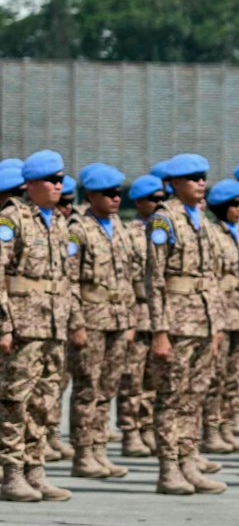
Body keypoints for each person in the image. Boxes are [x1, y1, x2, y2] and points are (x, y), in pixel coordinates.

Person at [0, 150, 81, 502]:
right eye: (52, 180)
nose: (58, 186)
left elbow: (68, 278)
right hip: (23, 326)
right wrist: (4, 326)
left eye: (61, 180)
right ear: (30, 184)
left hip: (53, 325)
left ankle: (36, 471)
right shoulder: (12, 219)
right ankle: (11, 474)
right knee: (14, 401)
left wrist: (73, 320)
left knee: (44, 402)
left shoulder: (59, 222)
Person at [144, 154, 226, 496]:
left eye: (202, 176)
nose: (200, 182)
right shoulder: (165, 221)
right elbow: (155, 278)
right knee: (171, 397)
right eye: (192, 177)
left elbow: (212, 278)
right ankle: (169, 469)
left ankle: (189, 462)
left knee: (195, 397)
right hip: (177, 324)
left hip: (203, 322)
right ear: (174, 183)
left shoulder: (202, 220)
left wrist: (217, 325)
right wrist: (160, 331)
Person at [68, 163, 136, 480]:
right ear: (92, 195)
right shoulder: (77, 230)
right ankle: (83, 455)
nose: (115, 199)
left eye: (118, 193)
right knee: (87, 389)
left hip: (119, 319)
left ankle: (99, 450)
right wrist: (77, 323)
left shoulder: (120, 228)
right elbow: (68, 280)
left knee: (107, 388)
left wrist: (131, 318)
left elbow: (130, 277)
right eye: (108, 194)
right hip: (91, 319)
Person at [118, 173, 167, 461]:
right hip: (137, 310)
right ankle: (130, 430)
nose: (159, 204)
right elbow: (121, 278)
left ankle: (148, 426)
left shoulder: (166, 227)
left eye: (162, 199)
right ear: (138, 202)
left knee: (153, 378)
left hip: (160, 313)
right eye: (154, 200)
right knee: (132, 378)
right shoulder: (129, 233)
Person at [202, 178, 239, 461]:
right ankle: (210, 430)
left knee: (235, 375)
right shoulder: (213, 235)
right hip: (221, 313)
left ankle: (227, 425)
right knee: (215, 376)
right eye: (235, 204)